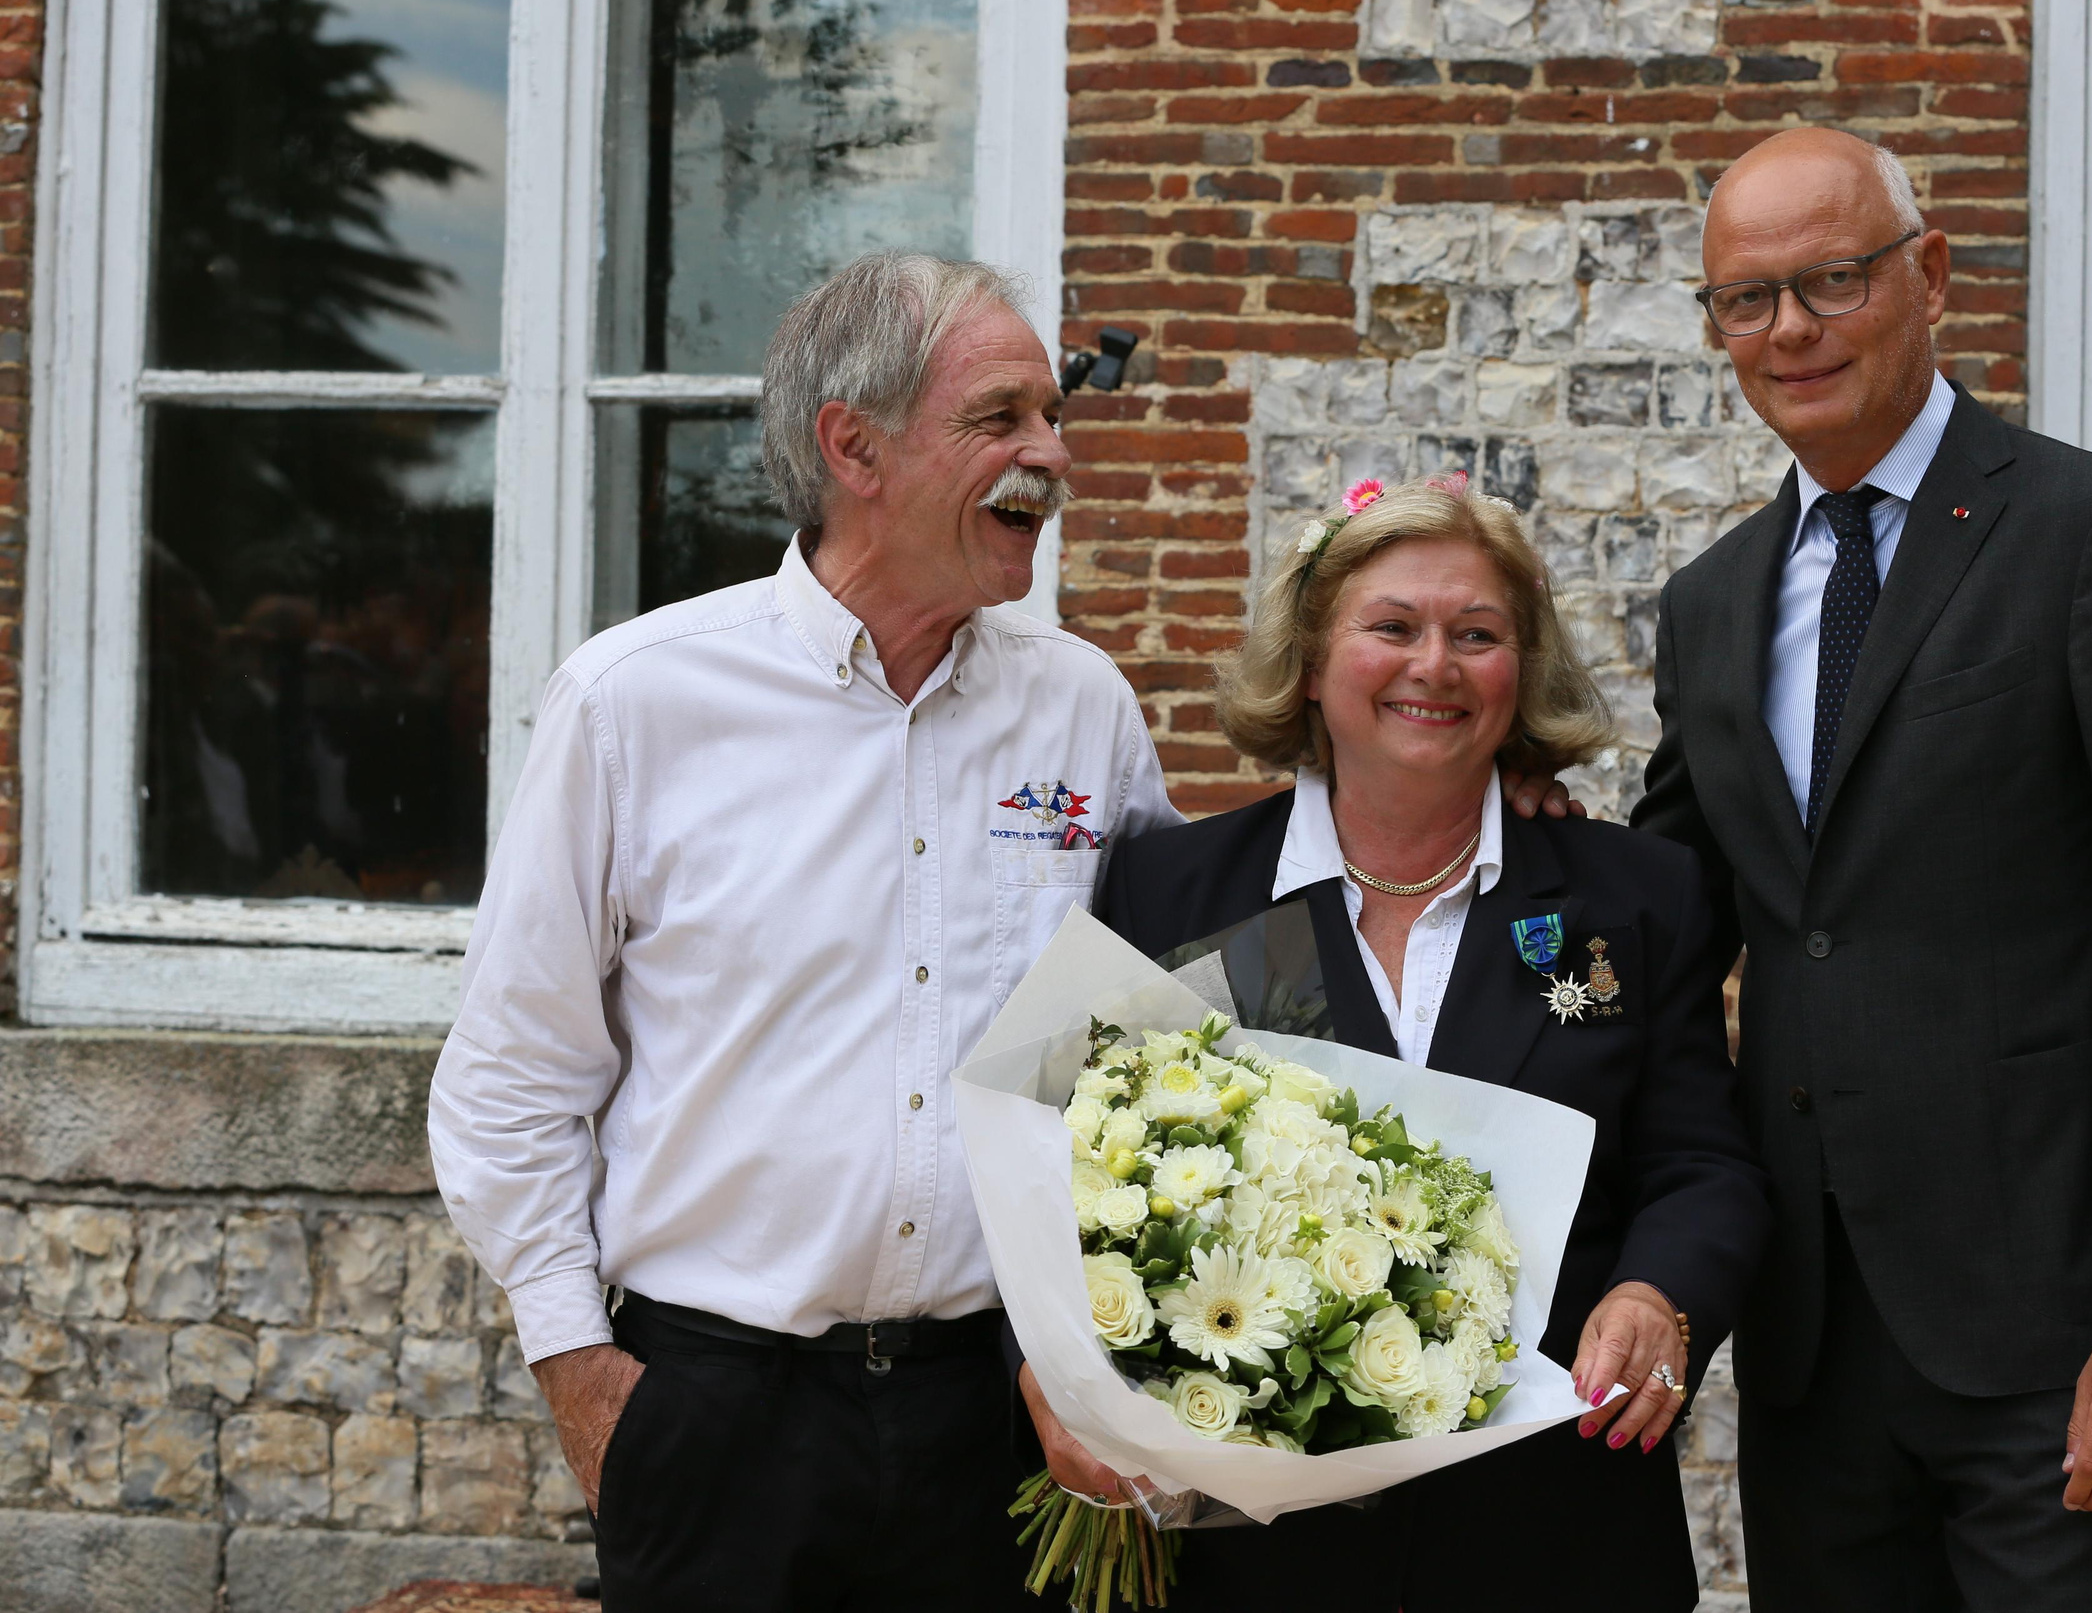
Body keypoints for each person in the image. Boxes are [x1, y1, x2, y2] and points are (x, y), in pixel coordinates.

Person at [426, 253, 1186, 1610]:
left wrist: (1492, 792)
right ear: (856, 444)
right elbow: (511, 1077)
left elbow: (1161, 1019)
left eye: (1051, 416)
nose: (1051, 454)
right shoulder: (633, 701)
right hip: (719, 1414)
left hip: (996, 1405)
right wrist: (583, 1375)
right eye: (1001, 418)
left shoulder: (1081, 705)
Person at [1631, 126, 2092, 1610]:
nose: (1790, 329)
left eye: (1833, 279)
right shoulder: (1712, 604)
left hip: (2055, 1332)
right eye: (1748, 297)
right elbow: (1663, 911)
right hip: (1812, 1341)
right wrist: (1458, 813)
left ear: (1928, 274)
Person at [1026, 477, 1771, 1611]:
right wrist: (1058, 1375)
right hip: (1248, 1545)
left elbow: (1700, 1165)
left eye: (1477, 635)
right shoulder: (1170, 886)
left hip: (1551, 1528)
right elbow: (1050, 1168)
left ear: (1518, 673)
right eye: (1391, 628)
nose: (1436, 665)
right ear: (1311, 661)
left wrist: (1661, 1296)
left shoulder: (1632, 892)